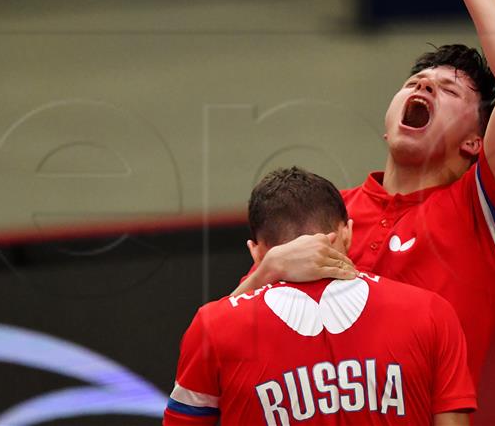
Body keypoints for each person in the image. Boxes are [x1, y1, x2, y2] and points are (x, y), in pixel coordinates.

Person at [234, 0, 495, 387]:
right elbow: (228, 340)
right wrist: (265, 272)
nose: (424, 88)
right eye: (416, 81)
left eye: (450, 90)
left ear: (474, 142)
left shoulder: (481, 210)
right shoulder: (331, 209)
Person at [164, 167, 476, 426]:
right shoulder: (431, 312)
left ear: (255, 252)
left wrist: (260, 276)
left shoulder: (213, 326)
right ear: (347, 233)